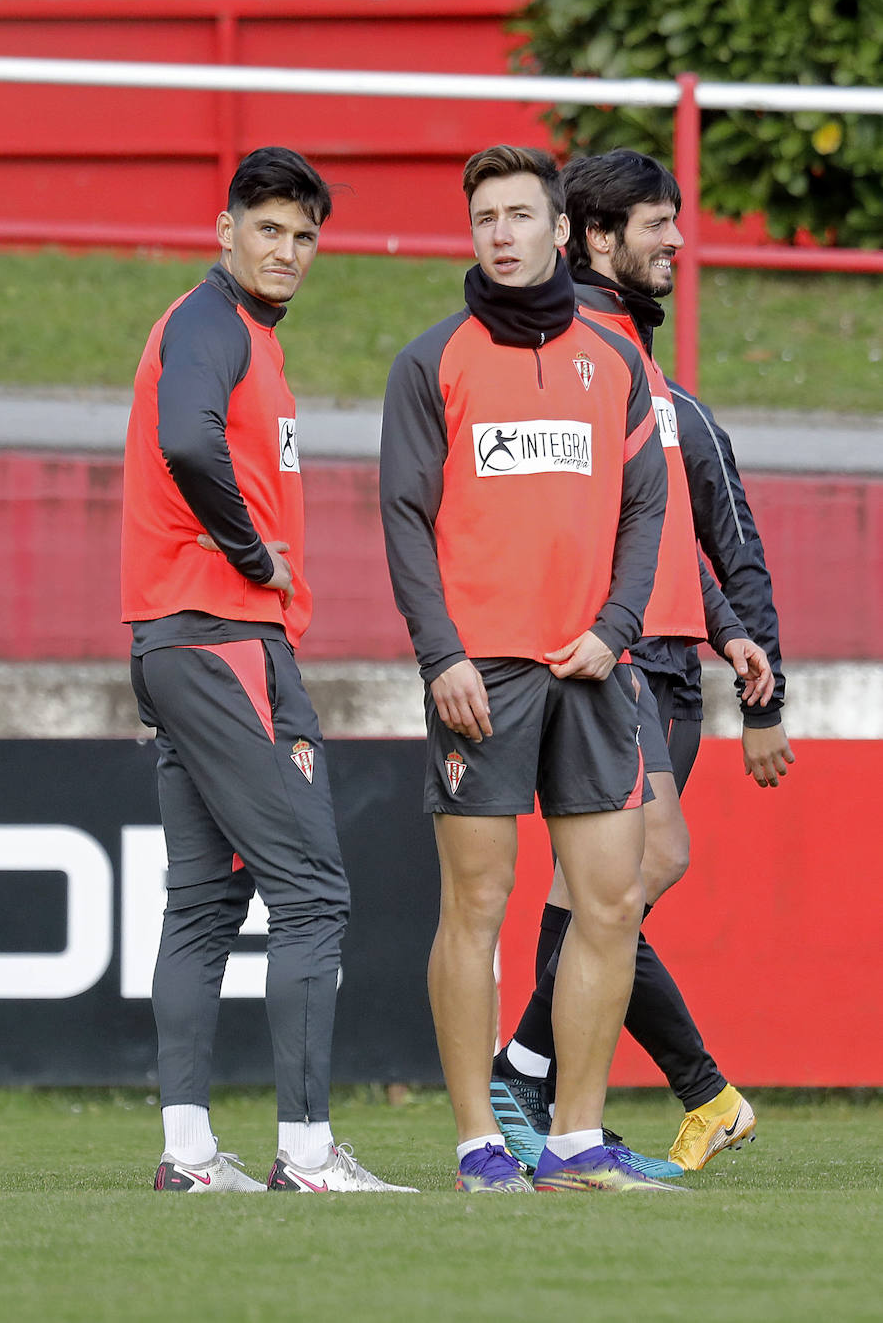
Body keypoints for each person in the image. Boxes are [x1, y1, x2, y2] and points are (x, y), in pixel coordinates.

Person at [380, 143, 685, 1193]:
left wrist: (616, 623)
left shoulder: (616, 360)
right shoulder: (433, 361)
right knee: (475, 907)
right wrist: (440, 656)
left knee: (609, 903)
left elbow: (647, 505)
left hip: (594, 670)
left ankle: (573, 1142)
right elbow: (404, 522)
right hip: (481, 679)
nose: (500, 235)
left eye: (519, 215)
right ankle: (477, 1145)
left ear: (562, 231)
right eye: (483, 220)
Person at [490, 149, 793, 1176]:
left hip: (662, 657)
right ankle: (548, 1076)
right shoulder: (573, 352)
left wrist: (727, 630)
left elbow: (669, 529)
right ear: (593, 238)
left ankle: (548, 1078)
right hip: (605, 658)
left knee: (621, 877)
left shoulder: (638, 364)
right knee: (631, 870)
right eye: (654, 224)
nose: (676, 239)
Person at [121, 145, 415, 1194]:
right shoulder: (208, 323)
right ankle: (305, 1153)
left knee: (202, 905)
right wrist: (251, 555)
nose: (287, 250)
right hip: (220, 635)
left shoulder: (244, 336)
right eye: (269, 229)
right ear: (225, 229)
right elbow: (187, 444)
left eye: (304, 236)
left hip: (182, 641)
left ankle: (192, 1157)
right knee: (312, 894)